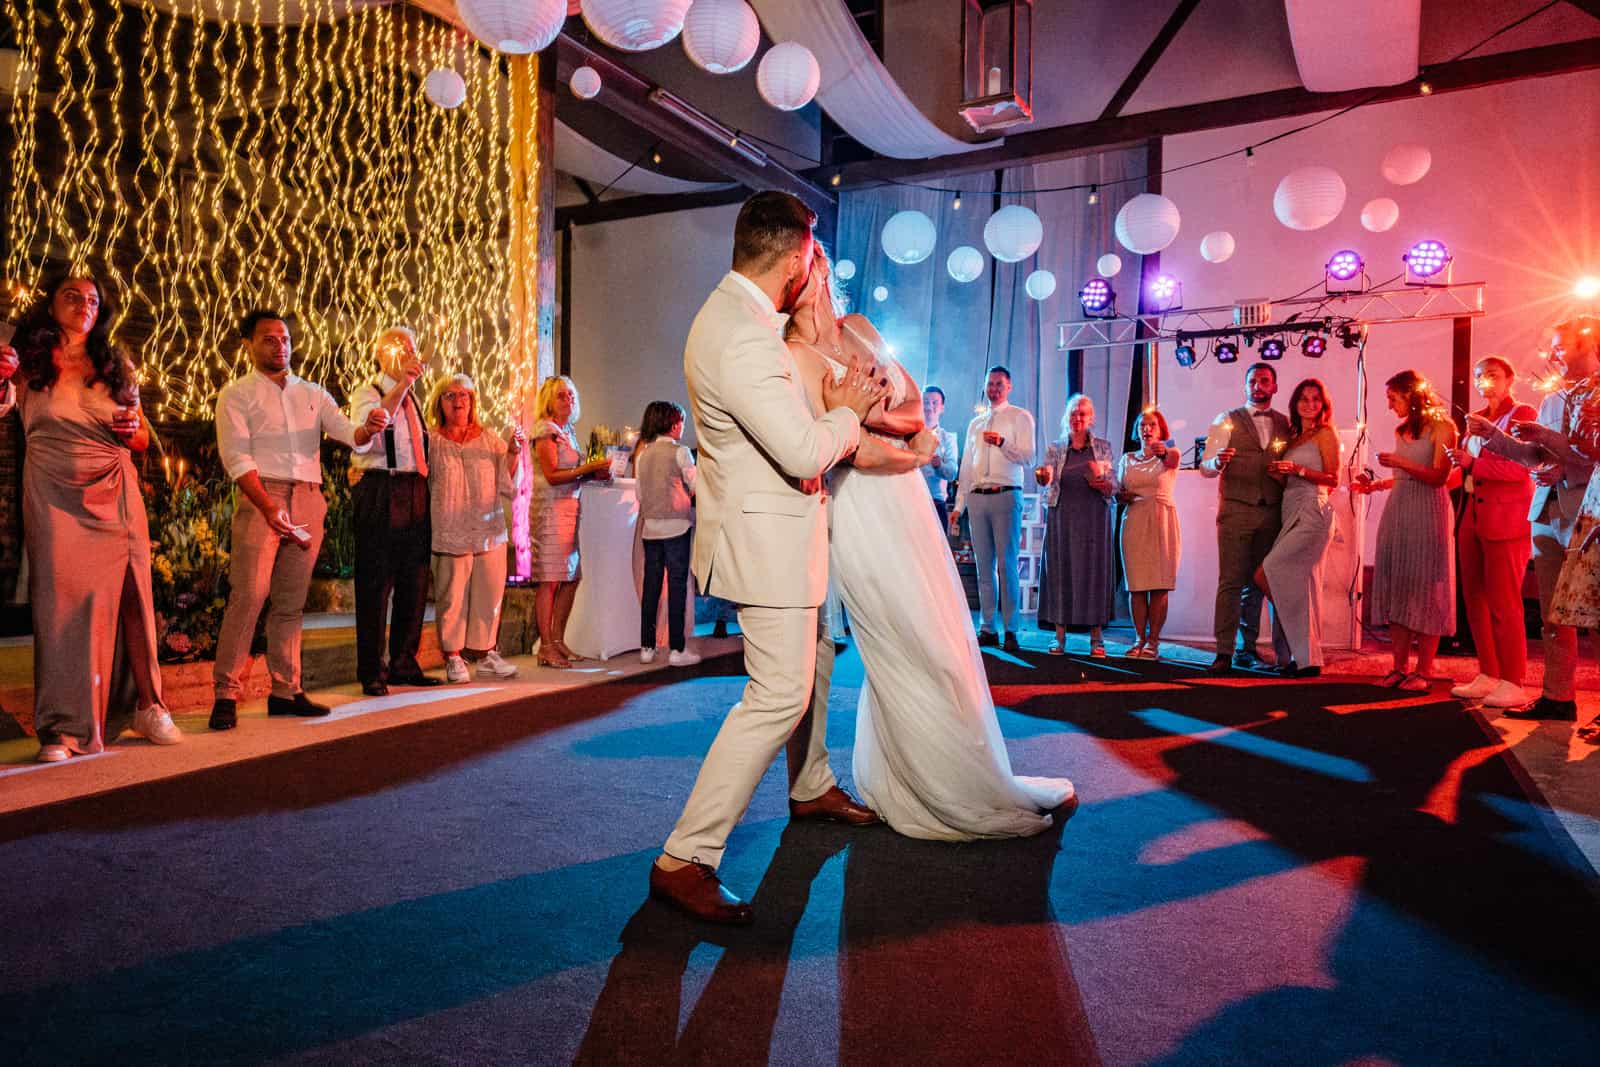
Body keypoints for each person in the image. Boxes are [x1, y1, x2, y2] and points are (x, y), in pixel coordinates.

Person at [653, 191, 891, 925]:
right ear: (795, 260)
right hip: (766, 542)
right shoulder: (746, 338)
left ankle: (811, 779)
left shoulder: (736, 319)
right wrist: (848, 409)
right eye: (811, 259)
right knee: (777, 694)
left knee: (811, 659)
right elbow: (798, 449)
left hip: (777, 533)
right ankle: (685, 856)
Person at [788, 246, 1074, 843]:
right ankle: (923, 788)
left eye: (815, 256)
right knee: (904, 646)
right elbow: (843, 448)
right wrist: (899, 442)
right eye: (801, 257)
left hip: (907, 500)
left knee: (945, 638)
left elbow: (916, 406)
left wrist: (883, 419)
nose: (810, 266)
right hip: (860, 507)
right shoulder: (791, 353)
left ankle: (971, 774)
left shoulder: (859, 328)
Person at [0, 276, 182, 760]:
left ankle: (147, 704)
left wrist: (134, 427)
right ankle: (59, 727)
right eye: (72, 296)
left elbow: (141, 437)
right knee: (59, 605)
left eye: (93, 299)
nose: (85, 304)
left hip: (114, 484)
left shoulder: (114, 363)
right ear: (51, 305)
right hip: (53, 487)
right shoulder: (26, 360)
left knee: (131, 597)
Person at [210, 310, 388, 728]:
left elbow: (350, 434)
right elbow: (236, 457)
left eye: (285, 339)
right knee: (249, 596)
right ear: (248, 346)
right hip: (261, 494)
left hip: (308, 496)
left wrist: (370, 427)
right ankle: (225, 694)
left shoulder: (312, 393)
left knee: (290, 602)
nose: (280, 346)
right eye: (269, 339)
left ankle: (286, 691)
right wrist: (268, 506)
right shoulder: (236, 394)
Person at [1477, 316, 1600, 722]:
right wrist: (1494, 438)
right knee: (1552, 614)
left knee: (1594, 612)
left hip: (1589, 512)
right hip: (1547, 511)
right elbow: (1535, 458)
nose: (1556, 354)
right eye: (1555, 347)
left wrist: (1557, 459)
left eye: (1565, 347)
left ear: (1592, 348)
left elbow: (1589, 456)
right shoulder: (1552, 399)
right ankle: (1557, 697)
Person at [348, 327, 440, 695]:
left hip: (415, 487)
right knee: (374, 585)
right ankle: (372, 669)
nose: (408, 352)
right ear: (381, 352)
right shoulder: (367, 392)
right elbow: (369, 433)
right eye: (400, 346)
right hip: (381, 487)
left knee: (414, 582)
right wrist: (401, 384)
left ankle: (404, 661)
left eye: (412, 347)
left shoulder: (416, 400)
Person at [1353, 370, 1458, 691]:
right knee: (1397, 583)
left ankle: (1423, 671)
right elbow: (1405, 477)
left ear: (1411, 396)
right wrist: (1377, 485)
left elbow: (1439, 476)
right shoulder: (1402, 431)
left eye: (1393, 398)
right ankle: (1399, 667)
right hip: (1399, 509)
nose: (1389, 405)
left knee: (1427, 588)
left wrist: (1400, 462)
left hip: (1429, 512)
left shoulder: (1443, 427)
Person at [1449, 357, 1537, 708]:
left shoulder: (1522, 414)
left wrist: (1473, 463)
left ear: (1509, 379)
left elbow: (1520, 467)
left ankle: (1513, 679)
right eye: (1479, 375)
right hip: (1473, 513)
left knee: (1504, 600)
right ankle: (1489, 672)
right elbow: (1466, 471)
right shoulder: (1475, 420)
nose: (1485, 380)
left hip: (1506, 516)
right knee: (1475, 598)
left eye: (1492, 374)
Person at [426, 373, 524, 684]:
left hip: (488, 528)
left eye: (463, 395)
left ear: (472, 401)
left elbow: (506, 484)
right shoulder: (432, 441)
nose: (458, 401)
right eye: (450, 396)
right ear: (439, 403)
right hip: (450, 528)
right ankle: (453, 656)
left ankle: (485, 653)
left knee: (490, 593)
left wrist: (513, 452)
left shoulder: (490, 439)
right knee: (451, 596)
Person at [1201, 363, 1294, 672]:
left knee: (1261, 583)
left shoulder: (1286, 424)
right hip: (1236, 511)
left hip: (1272, 513)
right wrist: (1216, 460)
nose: (1258, 385)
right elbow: (1205, 467)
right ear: (1245, 387)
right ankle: (1224, 652)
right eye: (1252, 381)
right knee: (1230, 582)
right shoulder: (1225, 420)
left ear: (1275, 387)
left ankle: (1249, 649)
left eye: (1264, 381)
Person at [1257, 379, 1340, 677]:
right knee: (1295, 586)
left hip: (1313, 511)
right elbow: (1290, 480)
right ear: (1295, 403)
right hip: (1290, 509)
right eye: (1304, 398)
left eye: (1316, 399)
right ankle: (1301, 657)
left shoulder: (1326, 434)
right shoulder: (1293, 438)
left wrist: (1298, 470)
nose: (1309, 404)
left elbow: (1333, 479)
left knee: (1268, 572)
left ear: (1323, 404)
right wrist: (1279, 473)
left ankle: (1306, 656)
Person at [528, 374, 612, 669]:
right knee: (549, 581)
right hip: (549, 511)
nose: (568, 399)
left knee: (571, 579)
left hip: (569, 509)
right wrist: (588, 468)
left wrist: (595, 472)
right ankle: (546, 646)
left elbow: (572, 472)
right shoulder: (546, 430)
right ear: (549, 401)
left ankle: (558, 639)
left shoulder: (568, 431)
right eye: (562, 395)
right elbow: (551, 475)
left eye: (571, 395)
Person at [951, 366, 1035, 653]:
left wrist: (1002, 442)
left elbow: (1027, 456)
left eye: (999, 384)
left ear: (1009, 386)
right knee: (982, 565)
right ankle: (988, 626)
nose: (994, 389)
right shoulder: (976, 424)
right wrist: (959, 504)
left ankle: (1011, 628)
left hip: (1006, 494)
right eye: (990, 384)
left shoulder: (1020, 417)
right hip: (977, 495)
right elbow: (965, 466)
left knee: (1006, 563)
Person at [1035, 394, 1115, 657]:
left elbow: (1114, 485)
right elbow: (1046, 479)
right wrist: (1044, 477)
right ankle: (1059, 637)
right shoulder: (1055, 448)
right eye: (1073, 413)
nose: (1077, 418)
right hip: (1063, 516)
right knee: (1060, 570)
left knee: (1094, 573)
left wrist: (1104, 485)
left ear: (1090, 418)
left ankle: (1096, 639)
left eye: (1082, 414)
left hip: (1094, 518)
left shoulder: (1103, 447)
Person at [634, 400, 700, 667]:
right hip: (677, 526)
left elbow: (639, 494)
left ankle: (647, 647)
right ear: (674, 424)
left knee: (651, 587)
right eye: (682, 422)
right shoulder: (681, 452)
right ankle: (677, 649)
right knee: (676, 587)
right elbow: (694, 484)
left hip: (651, 528)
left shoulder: (643, 455)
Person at [1115, 407, 1182, 659]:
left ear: (1161, 429)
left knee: (1159, 584)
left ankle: (1154, 641)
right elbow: (1118, 490)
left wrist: (1163, 449)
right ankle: (1138, 638)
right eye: (1142, 425)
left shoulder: (1170, 453)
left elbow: (1173, 460)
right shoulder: (1127, 459)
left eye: (1152, 425)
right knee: (1137, 585)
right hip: (1134, 519)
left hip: (1161, 519)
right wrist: (1120, 494)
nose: (1147, 429)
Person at [920, 385, 959, 531]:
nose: (929, 405)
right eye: (925, 401)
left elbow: (952, 473)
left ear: (942, 407)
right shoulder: (908, 435)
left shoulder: (947, 438)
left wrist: (939, 466)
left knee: (936, 552)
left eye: (935, 402)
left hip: (936, 503)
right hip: (909, 499)